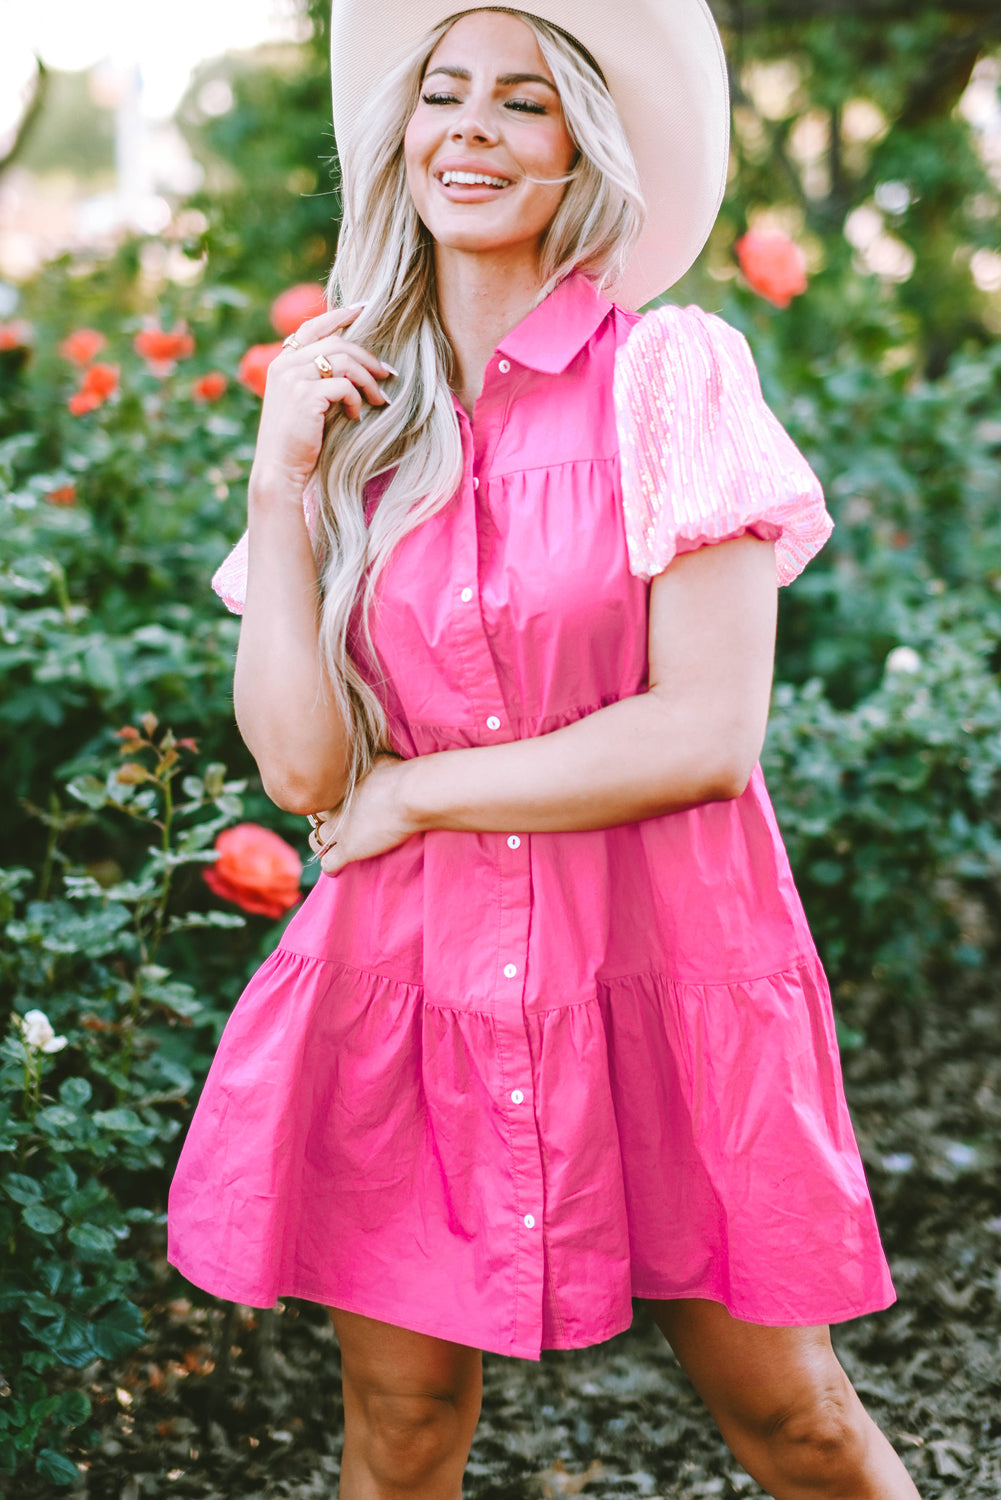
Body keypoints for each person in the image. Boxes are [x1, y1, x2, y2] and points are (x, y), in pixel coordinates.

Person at [168, 4, 923, 1497]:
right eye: (443, 94)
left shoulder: (670, 379)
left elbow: (706, 736)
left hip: (664, 963)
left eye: (521, 102)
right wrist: (280, 486)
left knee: (795, 1423)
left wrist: (422, 794)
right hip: (416, 983)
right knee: (398, 1434)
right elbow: (305, 779)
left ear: (581, 143)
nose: (470, 129)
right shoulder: (354, 412)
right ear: (400, 135)